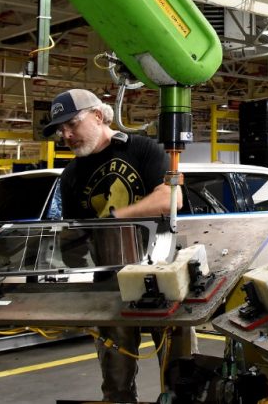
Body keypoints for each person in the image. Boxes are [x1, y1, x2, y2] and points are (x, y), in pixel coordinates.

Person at [42, 88, 194, 402]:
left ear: (98, 116)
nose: (66, 135)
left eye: (72, 124)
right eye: (61, 129)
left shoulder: (141, 149)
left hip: (162, 276)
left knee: (182, 377)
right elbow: (75, 236)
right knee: (115, 383)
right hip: (109, 284)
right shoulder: (71, 174)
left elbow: (171, 197)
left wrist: (116, 216)